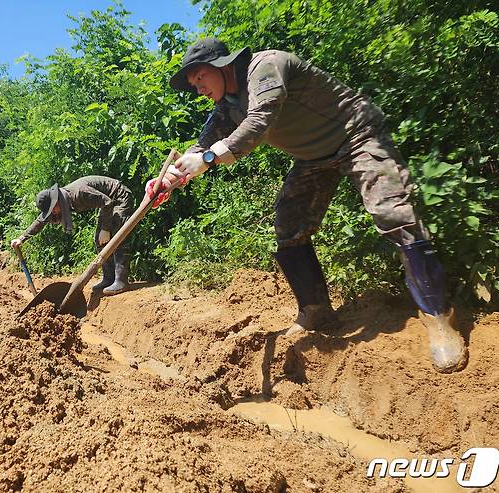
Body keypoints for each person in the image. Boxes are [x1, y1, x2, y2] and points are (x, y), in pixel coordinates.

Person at [147, 37, 467, 373]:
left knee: (392, 213)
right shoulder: (227, 104)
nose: (197, 88)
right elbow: (201, 147)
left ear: (223, 65)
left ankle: (438, 317)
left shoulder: (266, 67)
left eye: (200, 77)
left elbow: (259, 122)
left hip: (357, 135)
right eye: (192, 83)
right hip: (314, 158)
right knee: (288, 224)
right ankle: (315, 312)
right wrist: (169, 179)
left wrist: (210, 158)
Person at [11, 176, 134, 295]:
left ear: (57, 201)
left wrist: (105, 228)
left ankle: (121, 281)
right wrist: (22, 238)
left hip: (119, 196)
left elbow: (107, 202)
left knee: (118, 234)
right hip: (107, 203)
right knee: (99, 240)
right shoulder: (63, 199)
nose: (53, 213)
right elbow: (40, 221)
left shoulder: (79, 193)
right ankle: (109, 278)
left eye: (53, 209)